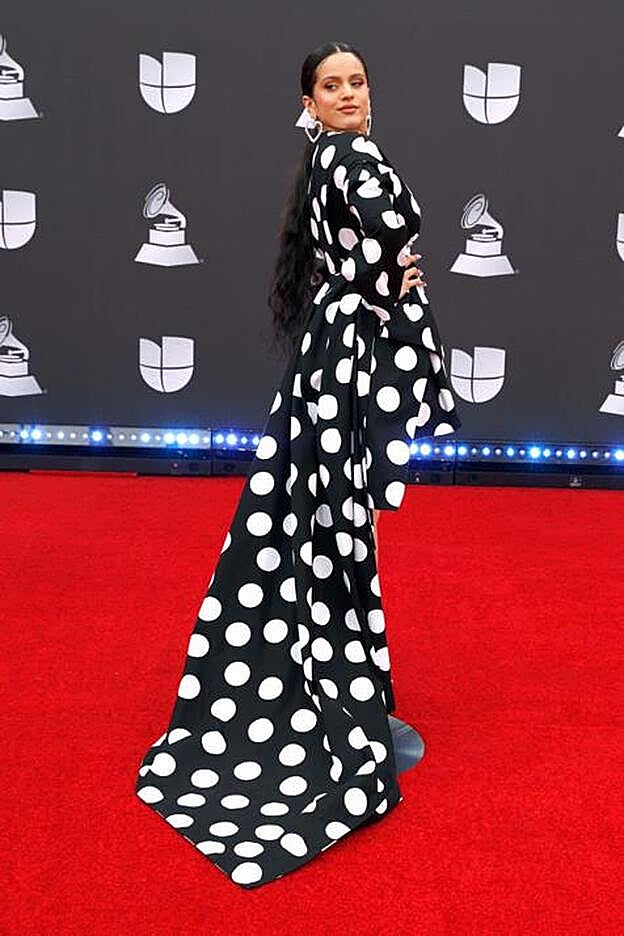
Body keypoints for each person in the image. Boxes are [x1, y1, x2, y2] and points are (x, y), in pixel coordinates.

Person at [135, 40, 462, 890]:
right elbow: (388, 242)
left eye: (357, 81)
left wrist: (390, 284)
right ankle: (343, 706)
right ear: (309, 100)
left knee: (322, 530)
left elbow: (370, 259)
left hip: (333, 362)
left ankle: (346, 690)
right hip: (346, 369)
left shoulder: (329, 161)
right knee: (334, 535)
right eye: (332, 85)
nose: (349, 93)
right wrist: (396, 285)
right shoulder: (351, 163)